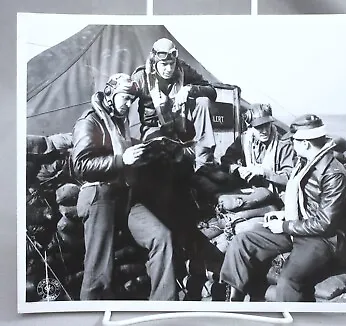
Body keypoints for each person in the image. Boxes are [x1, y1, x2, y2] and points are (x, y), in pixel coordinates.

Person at [218, 114, 346, 302]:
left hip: (322, 239)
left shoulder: (333, 174)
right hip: (298, 227)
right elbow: (306, 203)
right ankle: (234, 302)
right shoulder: (306, 162)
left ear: (305, 144)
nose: (292, 145)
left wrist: (285, 226)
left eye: (294, 141)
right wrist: (284, 215)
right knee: (242, 242)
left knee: (289, 281)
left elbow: (326, 223)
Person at [72, 73, 178, 300]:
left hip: (124, 196)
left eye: (132, 99)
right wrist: (122, 160)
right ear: (110, 94)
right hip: (99, 194)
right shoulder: (89, 121)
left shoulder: (120, 121)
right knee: (99, 269)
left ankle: (164, 306)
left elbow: (123, 153)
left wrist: (145, 153)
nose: (129, 104)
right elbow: (80, 165)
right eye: (125, 98)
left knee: (161, 237)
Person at [131, 37, 217, 170]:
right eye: (164, 64)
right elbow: (122, 100)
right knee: (160, 164)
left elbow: (212, 92)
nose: (169, 69)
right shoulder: (141, 77)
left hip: (181, 126)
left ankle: (204, 166)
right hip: (154, 127)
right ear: (155, 62)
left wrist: (190, 89)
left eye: (172, 63)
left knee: (202, 102)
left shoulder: (182, 69)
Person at [221, 103, 295, 196]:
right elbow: (226, 160)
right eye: (259, 127)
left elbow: (289, 178)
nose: (264, 131)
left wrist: (263, 172)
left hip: (274, 194)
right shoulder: (244, 140)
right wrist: (238, 169)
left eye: (267, 125)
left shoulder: (283, 145)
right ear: (250, 127)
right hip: (248, 188)